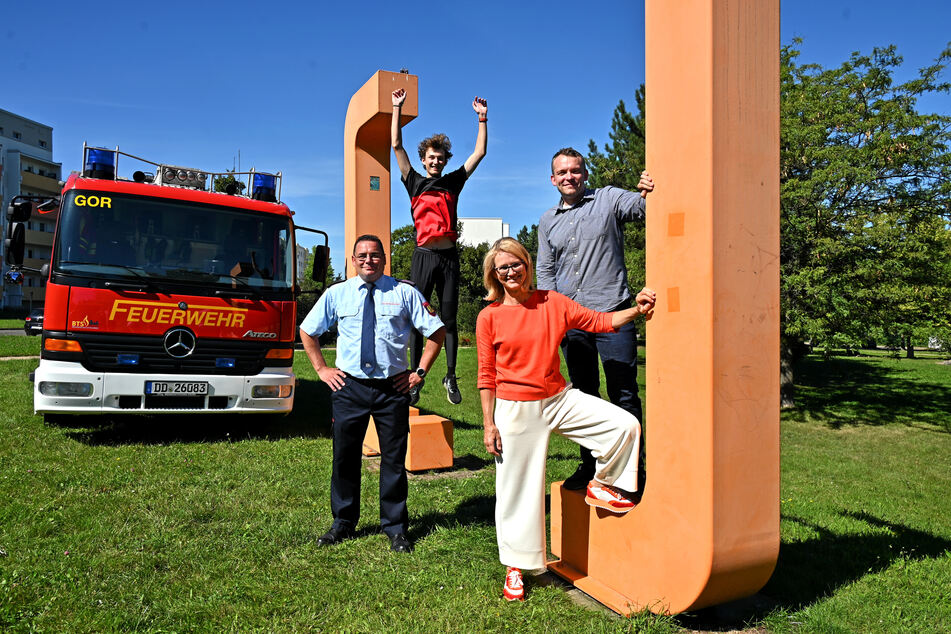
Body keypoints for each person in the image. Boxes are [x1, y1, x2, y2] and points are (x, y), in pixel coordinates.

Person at [476, 238, 655, 601]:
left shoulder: (551, 302)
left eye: (516, 264)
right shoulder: (489, 316)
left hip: (558, 398)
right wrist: (488, 423)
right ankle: (516, 567)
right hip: (514, 410)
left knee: (624, 425)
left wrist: (635, 310)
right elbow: (485, 374)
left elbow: (600, 321)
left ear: (527, 264)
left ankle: (604, 483)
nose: (511, 271)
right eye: (503, 267)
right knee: (517, 492)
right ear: (494, 275)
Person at [300, 234, 446, 553]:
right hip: (349, 387)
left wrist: (418, 372)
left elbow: (437, 331)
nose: (368, 260)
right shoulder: (337, 293)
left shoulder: (404, 293)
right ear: (353, 261)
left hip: (391, 389)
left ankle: (395, 527)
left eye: (375, 255)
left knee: (393, 460)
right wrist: (323, 370)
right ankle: (342, 522)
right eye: (362, 255)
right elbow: (307, 331)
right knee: (344, 457)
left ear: (384, 258)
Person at [536, 147, 655, 491]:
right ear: (553, 179)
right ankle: (590, 465)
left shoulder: (608, 199)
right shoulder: (547, 221)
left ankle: (633, 471)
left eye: (575, 171)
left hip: (613, 313)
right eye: (562, 173)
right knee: (584, 398)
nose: (569, 177)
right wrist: (553, 315)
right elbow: (545, 270)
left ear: (585, 174)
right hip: (572, 324)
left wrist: (647, 187)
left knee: (624, 393)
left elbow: (641, 207)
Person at [391, 87, 488, 406]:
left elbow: (479, 155)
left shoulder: (452, 182)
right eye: (430, 157)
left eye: (440, 157)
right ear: (423, 160)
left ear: (445, 161)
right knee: (418, 320)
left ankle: (449, 376)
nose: (435, 161)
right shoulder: (414, 182)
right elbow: (396, 145)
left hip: (448, 258)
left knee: (448, 318)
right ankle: (415, 378)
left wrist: (482, 119)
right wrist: (397, 108)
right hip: (423, 257)